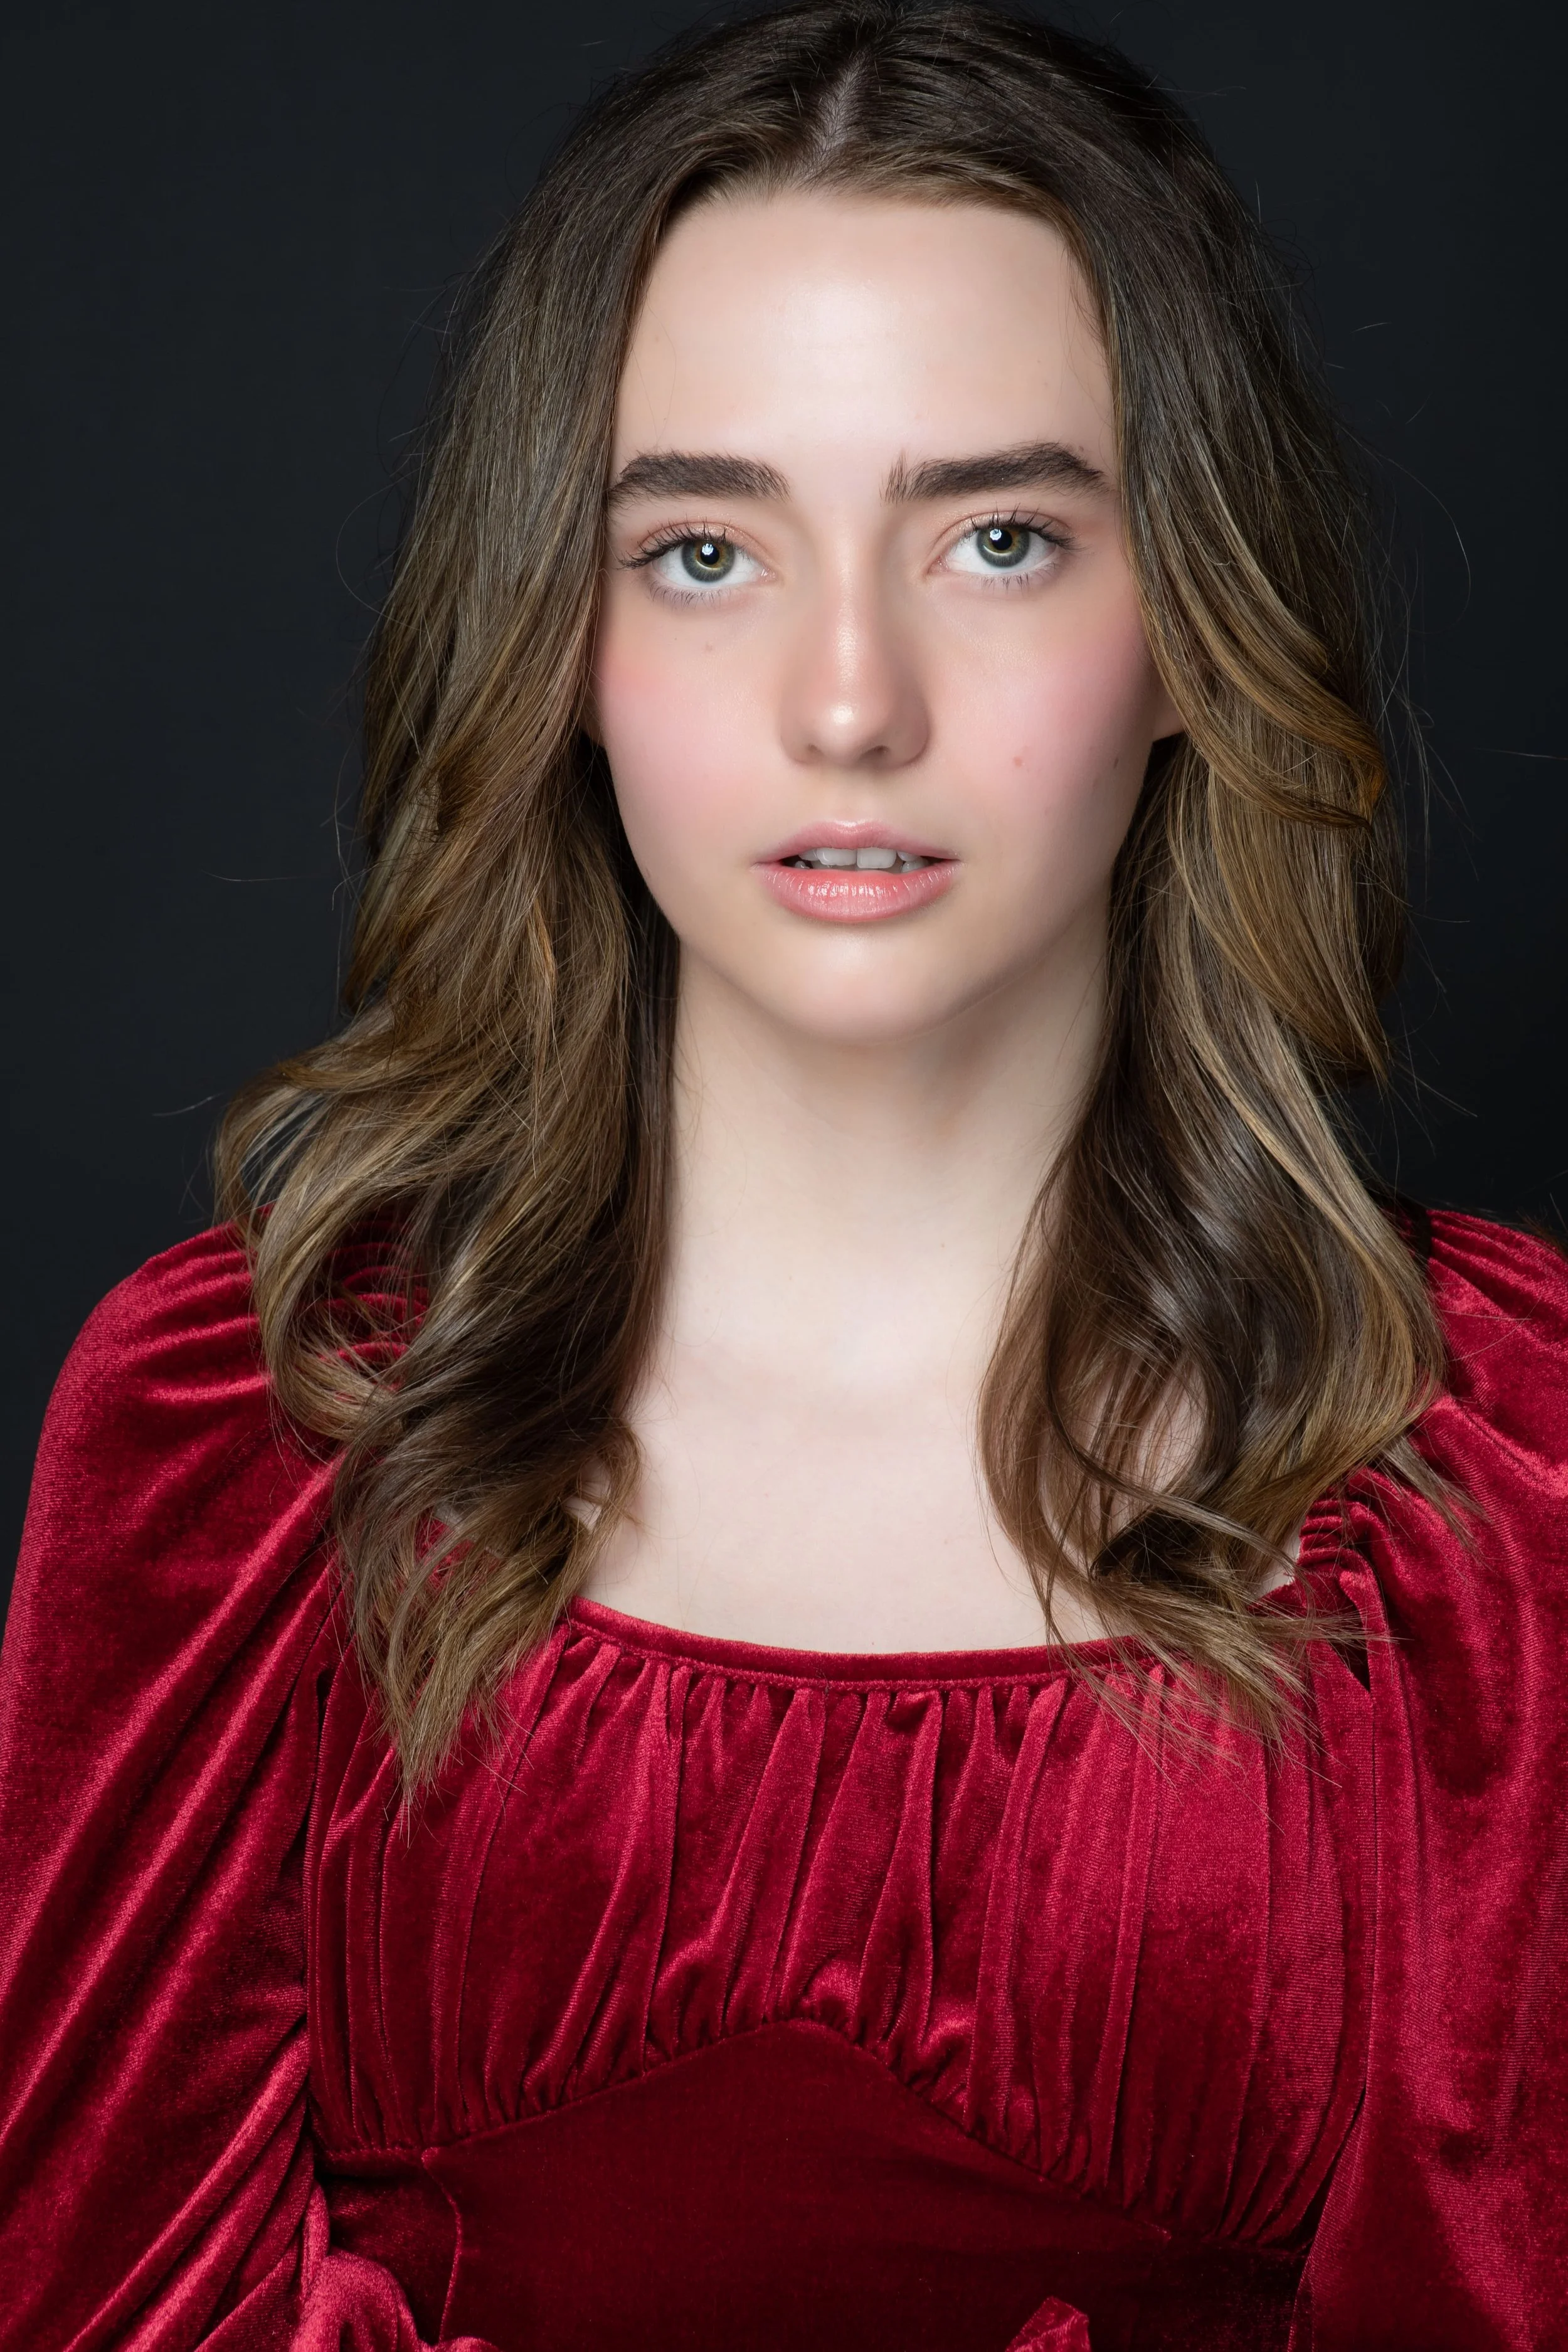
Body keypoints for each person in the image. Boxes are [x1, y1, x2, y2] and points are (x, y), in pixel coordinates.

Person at [1, 4, 1564, 2345]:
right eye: (706, 549)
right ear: (564, 640)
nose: (851, 700)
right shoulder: (235, 1441)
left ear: (1187, 635)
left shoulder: (1507, 1481)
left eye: (1002, 537)